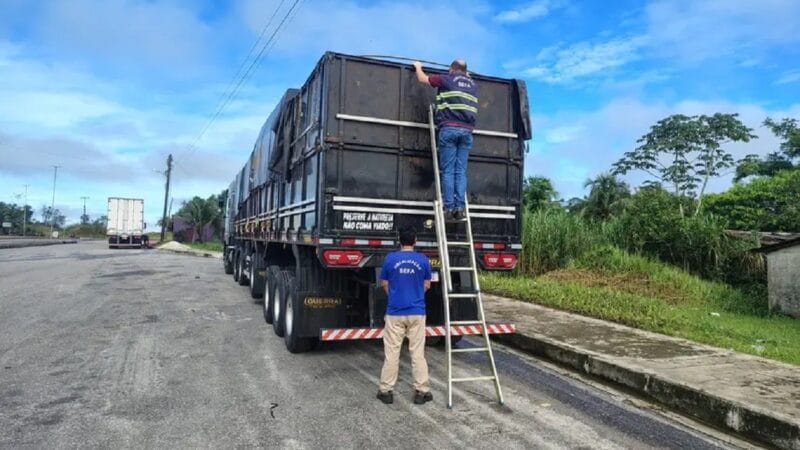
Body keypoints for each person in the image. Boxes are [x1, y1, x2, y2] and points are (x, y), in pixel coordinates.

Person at [414, 59, 478, 221]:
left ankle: (449, 208)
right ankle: (460, 208)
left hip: (449, 129)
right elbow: (465, 81)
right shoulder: (473, 85)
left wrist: (418, 67)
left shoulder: (446, 79)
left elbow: (423, 79)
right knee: (460, 171)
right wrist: (466, 76)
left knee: (448, 171)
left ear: (452, 69)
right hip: (467, 132)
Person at [377, 226, 433, 405]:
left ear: (399, 241)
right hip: (417, 312)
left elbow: (384, 283)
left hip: (395, 312)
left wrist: (394, 296)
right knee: (417, 353)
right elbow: (427, 285)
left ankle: (386, 391)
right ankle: (422, 391)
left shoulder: (390, 259)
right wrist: (415, 295)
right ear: (415, 241)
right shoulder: (423, 260)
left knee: (392, 353)